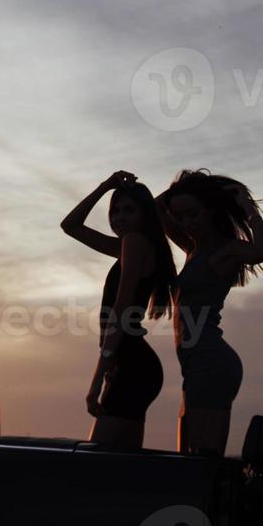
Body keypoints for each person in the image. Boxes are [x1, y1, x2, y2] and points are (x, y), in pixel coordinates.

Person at [157, 170, 263, 455]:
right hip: (195, 364)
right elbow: (156, 209)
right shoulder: (192, 249)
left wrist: (247, 209)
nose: (187, 223)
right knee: (188, 456)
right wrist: (187, 185)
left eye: (193, 214)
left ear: (210, 211)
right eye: (181, 216)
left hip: (212, 362)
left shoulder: (226, 251)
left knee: (203, 458)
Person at [60, 170, 175, 448]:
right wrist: (105, 186)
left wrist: (97, 379)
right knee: (124, 464)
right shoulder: (129, 246)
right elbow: (71, 226)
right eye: (116, 211)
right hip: (133, 364)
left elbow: (121, 309)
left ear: (144, 214)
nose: (120, 217)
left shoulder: (134, 244)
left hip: (131, 365)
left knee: (98, 462)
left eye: (129, 210)